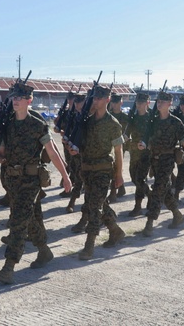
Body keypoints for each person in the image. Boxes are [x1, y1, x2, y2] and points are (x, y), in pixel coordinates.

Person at [0, 82, 72, 284]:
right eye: (13, 97)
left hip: (31, 181)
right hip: (12, 180)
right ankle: (44, 251)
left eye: (20, 98)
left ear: (29, 101)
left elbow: (52, 152)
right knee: (31, 218)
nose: (15, 101)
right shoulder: (7, 125)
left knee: (18, 222)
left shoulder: (37, 124)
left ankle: (9, 267)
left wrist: (65, 176)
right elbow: (2, 157)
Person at [65, 84, 126, 260]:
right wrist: (74, 149)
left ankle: (89, 246)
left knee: (93, 207)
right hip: (87, 171)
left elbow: (118, 151)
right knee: (99, 204)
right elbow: (82, 145)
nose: (96, 101)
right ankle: (116, 231)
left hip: (103, 171)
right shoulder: (87, 122)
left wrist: (119, 174)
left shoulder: (113, 124)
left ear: (107, 100)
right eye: (94, 98)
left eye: (99, 98)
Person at [139, 92, 184, 236]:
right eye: (158, 101)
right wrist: (143, 145)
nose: (159, 104)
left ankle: (150, 222)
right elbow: (147, 139)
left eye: (163, 102)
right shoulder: (153, 121)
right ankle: (177, 215)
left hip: (167, 160)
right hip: (154, 159)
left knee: (158, 188)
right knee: (164, 189)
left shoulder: (176, 122)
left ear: (169, 104)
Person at [126, 92, 153, 217]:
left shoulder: (151, 118)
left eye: (141, 102)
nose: (139, 105)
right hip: (134, 153)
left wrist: (147, 145)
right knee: (134, 178)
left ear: (147, 103)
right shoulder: (133, 118)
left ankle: (138, 206)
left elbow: (155, 136)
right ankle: (150, 195)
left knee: (140, 179)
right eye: (137, 102)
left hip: (146, 154)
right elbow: (127, 134)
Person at [108, 92, 128, 201]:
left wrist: (127, 137)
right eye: (113, 102)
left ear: (121, 103)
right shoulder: (108, 115)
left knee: (116, 167)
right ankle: (121, 188)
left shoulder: (125, 117)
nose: (115, 104)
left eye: (117, 102)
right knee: (113, 168)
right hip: (108, 145)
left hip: (120, 146)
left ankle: (113, 192)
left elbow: (129, 131)